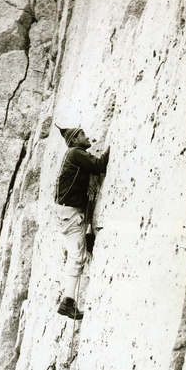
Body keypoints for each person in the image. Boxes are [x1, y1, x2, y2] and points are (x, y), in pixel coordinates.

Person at [54, 125, 110, 320]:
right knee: (76, 257)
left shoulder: (73, 155)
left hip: (67, 213)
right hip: (71, 213)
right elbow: (100, 166)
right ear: (75, 140)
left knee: (79, 254)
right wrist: (113, 145)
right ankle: (67, 301)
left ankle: (68, 299)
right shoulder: (76, 153)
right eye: (83, 135)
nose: (89, 138)